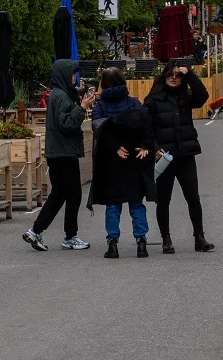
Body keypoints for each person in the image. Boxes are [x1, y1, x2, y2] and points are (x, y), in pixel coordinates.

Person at [23, 59, 94, 252]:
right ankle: (69, 236)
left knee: (60, 193)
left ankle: (36, 231)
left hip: (58, 152)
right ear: (64, 75)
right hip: (64, 153)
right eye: (72, 74)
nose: (75, 78)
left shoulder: (58, 94)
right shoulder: (60, 96)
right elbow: (67, 124)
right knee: (73, 194)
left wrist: (79, 99)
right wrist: (82, 107)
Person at [144, 60, 214, 254]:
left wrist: (189, 74)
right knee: (163, 200)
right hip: (164, 158)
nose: (174, 78)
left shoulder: (186, 96)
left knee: (193, 197)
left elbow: (202, 96)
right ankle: (166, 239)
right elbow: (146, 129)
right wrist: (155, 148)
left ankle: (199, 237)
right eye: (170, 74)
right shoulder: (153, 100)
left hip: (185, 155)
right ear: (164, 76)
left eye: (178, 75)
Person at [85, 67, 155, 258]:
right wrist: (144, 145)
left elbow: (99, 129)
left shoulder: (100, 106)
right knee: (136, 203)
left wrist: (115, 147)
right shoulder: (133, 103)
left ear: (104, 84)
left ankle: (113, 243)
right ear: (122, 82)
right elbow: (147, 123)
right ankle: (141, 242)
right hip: (134, 160)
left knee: (113, 205)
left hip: (112, 162)